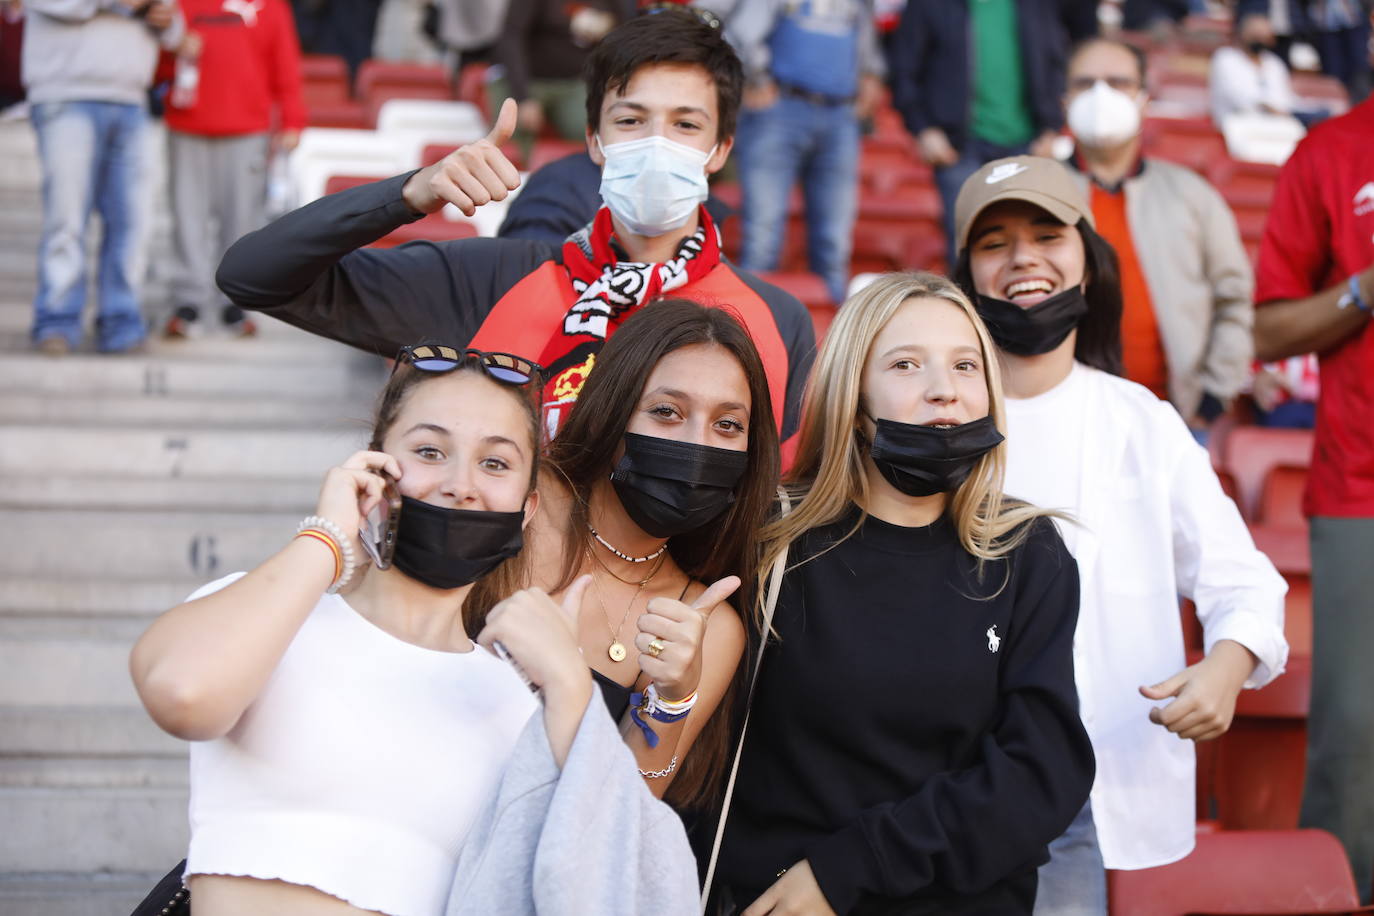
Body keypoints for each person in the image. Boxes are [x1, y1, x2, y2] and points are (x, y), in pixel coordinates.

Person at [128, 346, 684, 914]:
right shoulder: (263, 614)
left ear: (526, 507)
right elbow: (183, 693)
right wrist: (326, 539)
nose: (460, 485)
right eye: (429, 451)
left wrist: (571, 686)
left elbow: (618, 885)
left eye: (495, 463)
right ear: (372, 471)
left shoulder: (521, 706)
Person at [217, 9, 813, 448]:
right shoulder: (500, 277)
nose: (657, 142)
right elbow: (254, 276)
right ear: (594, 142)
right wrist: (408, 193)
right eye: (631, 119)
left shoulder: (776, 320)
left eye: (685, 125)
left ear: (719, 149)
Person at [951, 155, 1289, 914]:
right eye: (994, 242)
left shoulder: (1142, 421)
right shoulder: (932, 418)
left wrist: (1225, 669)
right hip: (938, 781)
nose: (1022, 259)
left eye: (1047, 234)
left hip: (1082, 790)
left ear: (1089, 263)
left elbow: (1242, 582)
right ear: (966, 273)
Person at [714, 271, 1095, 915]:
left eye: (966, 366)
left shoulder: (1028, 552)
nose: (943, 390)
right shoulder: (766, 540)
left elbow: (1040, 774)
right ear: (851, 396)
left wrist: (850, 868)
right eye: (906, 364)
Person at [473, 297, 779, 807]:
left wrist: (672, 699)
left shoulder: (709, 624)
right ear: (613, 410)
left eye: (727, 425)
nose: (695, 445)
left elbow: (624, 817)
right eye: (666, 412)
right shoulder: (520, 500)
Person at [1252, 94, 1374, 903]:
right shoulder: (1331, 150)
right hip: (1360, 486)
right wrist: (1364, 289)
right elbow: (1269, 329)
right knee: (1355, 736)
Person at [1065, 38, 1254, 440]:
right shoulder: (1030, 194)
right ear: (1065, 99)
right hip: (1064, 420)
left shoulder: (1190, 193)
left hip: (1176, 420)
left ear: (1144, 99)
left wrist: (1214, 396)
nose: (1101, 96)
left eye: (1118, 83)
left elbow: (1234, 295)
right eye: (1085, 84)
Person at [22, 0, 184, 355]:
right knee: (66, 219)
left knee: (133, 225)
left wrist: (164, 19)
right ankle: (57, 322)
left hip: (132, 99)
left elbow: (176, 32)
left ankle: (122, 322)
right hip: (65, 94)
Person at [721, 0, 886, 303]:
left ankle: (840, 341)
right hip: (779, 108)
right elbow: (741, 33)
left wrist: (869, 74)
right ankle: (748, 334)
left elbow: (866, 38)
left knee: (834, 243)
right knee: (763, 236)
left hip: (840, 114)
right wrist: (756, 76)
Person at [160, 0, 306, 340]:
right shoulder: (179, 2)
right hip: (187, 124)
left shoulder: (271, 6)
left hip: (247, 127)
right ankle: (188, 301)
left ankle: (235, 300)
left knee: (241, 218)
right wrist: (174, 50)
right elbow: (157, 63)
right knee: (187, 217)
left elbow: (284, 62)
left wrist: (292, 118)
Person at [888, 0, 1071, 263]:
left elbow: (1055, 62)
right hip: (958, 147)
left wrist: (1052, 127)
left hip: (1027, 145)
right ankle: (967, 305)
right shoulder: (929, 4)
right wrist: (924, 129)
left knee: (1029, 245)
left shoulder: (1036, 5)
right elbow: (903, 69)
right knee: (966, 244)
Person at [489, 0, 621, 161]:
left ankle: (583, 180)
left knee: (593, 132)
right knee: (510, 137)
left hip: (576, 81)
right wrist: (522, 97)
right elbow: (511, 39)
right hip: (530, 80)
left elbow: (622, 30)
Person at [1210, 12, 1300, 123]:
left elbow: (1286, 98)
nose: (1259, 40)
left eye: (1263, 36)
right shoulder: (1226, 58)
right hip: (1237, 126)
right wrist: (1268, 107)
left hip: (1278, 125)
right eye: (1255, 35)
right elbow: (1238, 98)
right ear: (1242, 34)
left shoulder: (1274, 63)